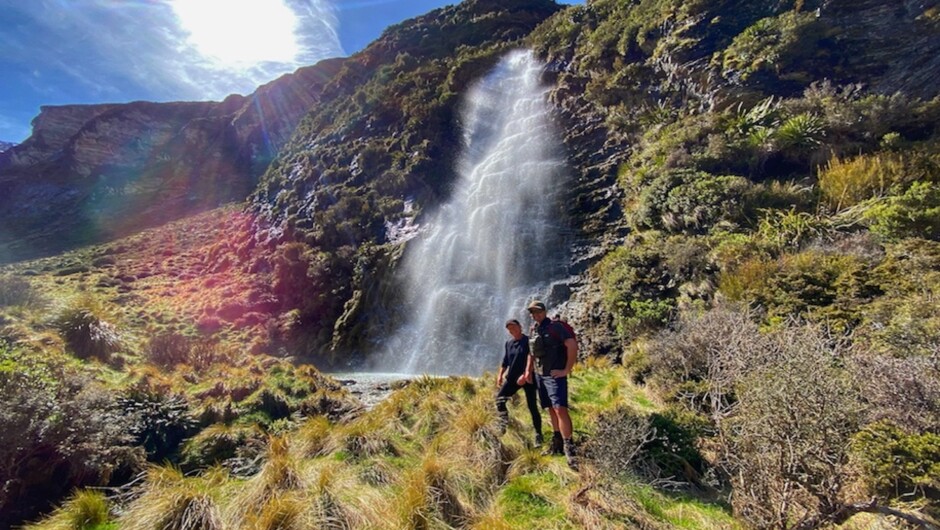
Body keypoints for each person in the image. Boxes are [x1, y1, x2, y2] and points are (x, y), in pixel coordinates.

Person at [524, 300, 578, 467]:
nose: (535, 315)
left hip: (555, 375)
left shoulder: (556, 327)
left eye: (538, 311)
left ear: (545, 311)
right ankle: (557, 441)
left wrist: (566, 370)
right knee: (550, 408)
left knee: (560, 408)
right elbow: (531, 353)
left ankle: (569, 446)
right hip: (541, 375)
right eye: (532, 312)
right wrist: (528, 370)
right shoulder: (534, 329)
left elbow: (572, 345)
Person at [496, 319, 543, 447]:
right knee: (499, 399)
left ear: (520, 327)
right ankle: (503, 424)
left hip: (528, 379)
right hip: (512, 379)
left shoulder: (528, 341)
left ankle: (538, 434)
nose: (513, 331)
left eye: (514, 327)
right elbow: (505, 361)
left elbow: (533, 358)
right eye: (510, 329)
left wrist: (526, 374)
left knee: (532, 406)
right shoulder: (509, 343)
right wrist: (500, 375)